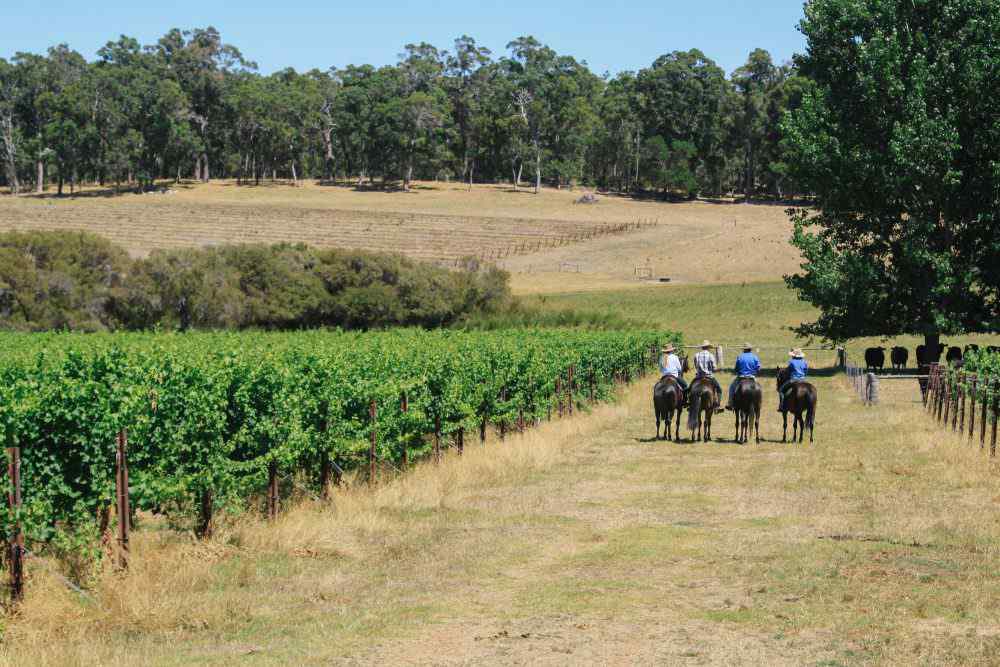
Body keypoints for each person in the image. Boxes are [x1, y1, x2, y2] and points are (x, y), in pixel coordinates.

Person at [726, 343, 761, 411]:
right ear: (750, 349)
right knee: (759, 388)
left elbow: (736, 368)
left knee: (732, 388)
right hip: (752, 377)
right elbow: (758, 368)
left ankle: (730, 403)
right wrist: (755, 371)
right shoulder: (755, 357)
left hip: (741, 377)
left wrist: (737, 371)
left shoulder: (740, 356)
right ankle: (759, 403)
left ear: (744, 349)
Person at [693, 340, 724, 413]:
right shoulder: (711, 355)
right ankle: (717, 405)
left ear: (702, 347)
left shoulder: (696, 355)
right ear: (708, 347)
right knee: (719, 389)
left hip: (699, 377)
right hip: (709, 377)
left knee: (690, 388)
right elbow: (714, 368)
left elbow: (695, 365)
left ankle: (691, 403)